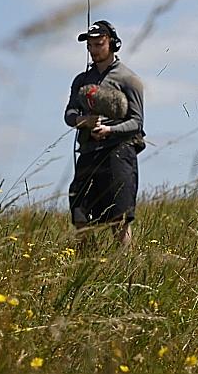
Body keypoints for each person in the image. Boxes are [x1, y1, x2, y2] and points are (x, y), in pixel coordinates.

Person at [64, 20, 145, 252]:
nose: (93, 50)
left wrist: (110, 130)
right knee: (79, 213)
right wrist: (84, 121)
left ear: (112, 43)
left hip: (119, 152)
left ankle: (124, 265)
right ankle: (88, 262)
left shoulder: (128, 79)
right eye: (90, 45)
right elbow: (69, 114)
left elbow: (137, 122)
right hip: (89, 151)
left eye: (98, 44)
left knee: (119, 217)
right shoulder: (81, 80)